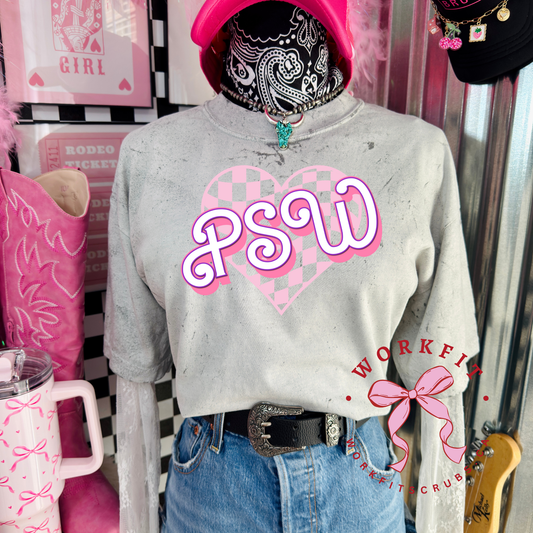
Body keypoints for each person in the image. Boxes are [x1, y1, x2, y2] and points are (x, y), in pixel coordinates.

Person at [104, 1, 479, 531]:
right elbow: (135, 371)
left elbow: (440, 374)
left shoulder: (416, 154)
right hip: (215, 485)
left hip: (358, 478)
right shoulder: (150, 158)